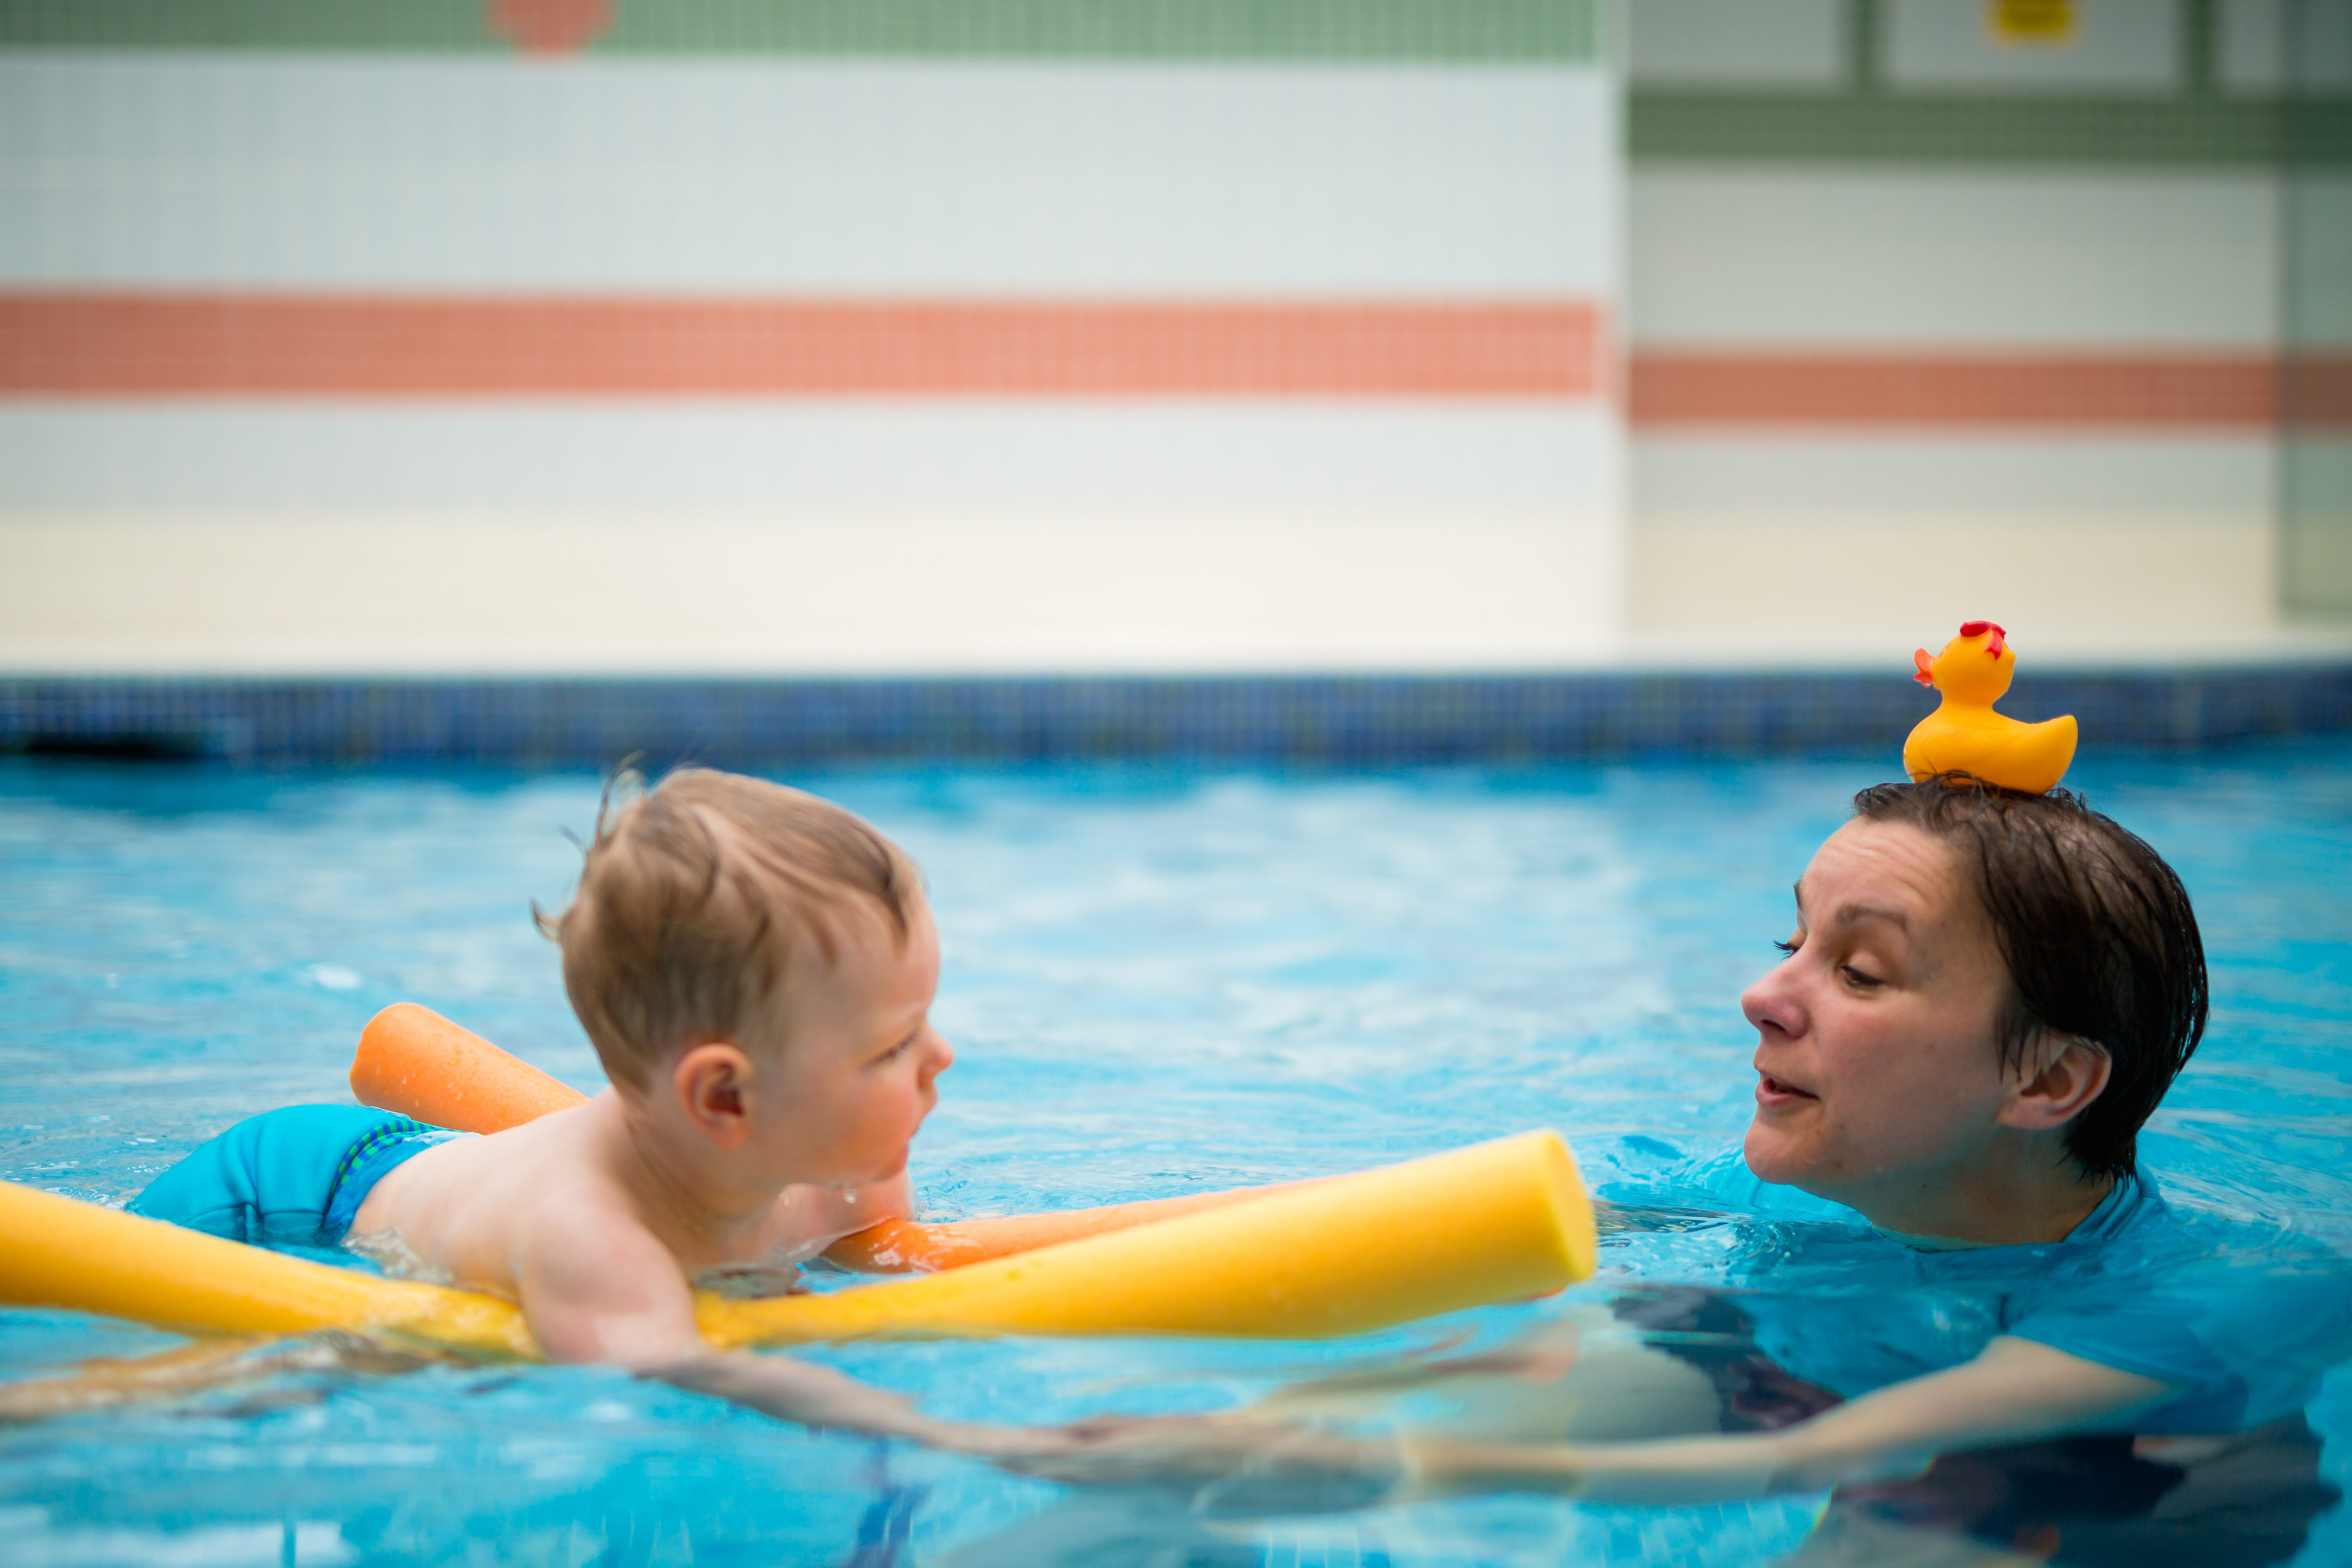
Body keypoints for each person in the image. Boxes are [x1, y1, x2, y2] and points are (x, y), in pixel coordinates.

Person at [1028, 778, 2351, 1560]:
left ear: (2046, 1082)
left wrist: (1398, 1471)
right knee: (1262, 1455)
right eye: (1790, 940)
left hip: (2096, 1476)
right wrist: (975, 1255)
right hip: (1809, 1355)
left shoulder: (2229, 1299)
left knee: (1910, 1515)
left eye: (1858, 970)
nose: (1758, 997)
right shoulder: (1790, 1188)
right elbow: (1396, 1221)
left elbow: (1834, 1452)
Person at [128, 766, 1055, 1456]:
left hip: (442, 1165)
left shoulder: (855, 1177)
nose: (943, 1056)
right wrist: (973, 1439)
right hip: (286, 1196)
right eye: (892, 1046)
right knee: (162, 1392)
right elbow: (679, 1375)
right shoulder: (592, 1237)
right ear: (725, 1097)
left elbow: (897, 1268)